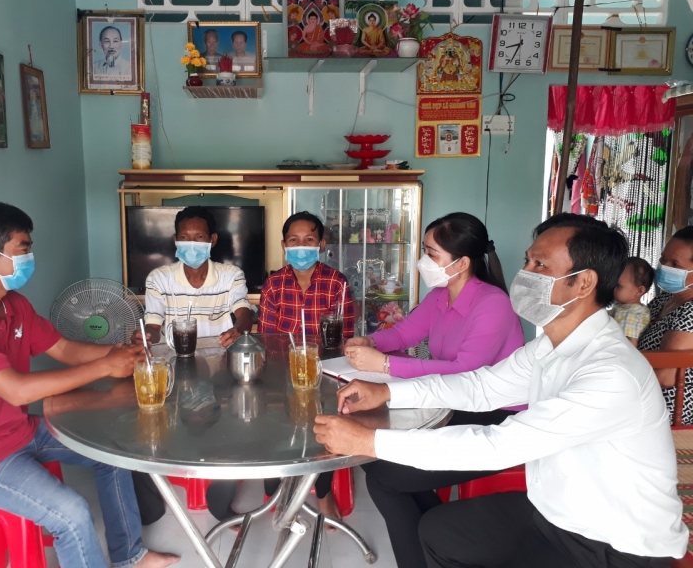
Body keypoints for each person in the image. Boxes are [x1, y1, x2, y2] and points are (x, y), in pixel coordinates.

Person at [314, 213, 686, 567]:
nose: (525, 274)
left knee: (415, 499)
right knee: (440, 531)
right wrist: (390, 394)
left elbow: (498, 445)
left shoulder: (610, 373)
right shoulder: (549, 347)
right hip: (555, 515)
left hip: (612, 546)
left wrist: (368, 441)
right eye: (528, 261)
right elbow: (482, 386)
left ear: (584, 283)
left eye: (540, 265)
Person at [0, 202, 179, 568]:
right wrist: (105, 366)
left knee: (112, 453)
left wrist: (118, 354)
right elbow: (17, 390)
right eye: (22, 249)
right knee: (71, 513)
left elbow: (65, 349)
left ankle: (129, 555)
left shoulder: (14, 306)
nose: (29, 258)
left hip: (17, 431)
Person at [343, 212, 524, 568]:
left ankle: (425, 553)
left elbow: (466, 372)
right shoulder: (441, 295)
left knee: (385, 476)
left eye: (431, 253)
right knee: (379, 467)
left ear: (462, 263)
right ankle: (431, 546)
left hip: (496, 414)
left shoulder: (493, 304)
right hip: (452, 401)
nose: (423, 261)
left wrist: (385, 365)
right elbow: (405, 332)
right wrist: (371, 341)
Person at [135, 206, 252, 523]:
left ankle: (220, 499)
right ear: (175, 239)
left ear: (212, 240)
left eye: (199, 237)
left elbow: (244, 311)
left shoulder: (230, 275)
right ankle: (150, 506)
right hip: (175, 369)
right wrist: (144, 336)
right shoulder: (159, 278)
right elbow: (154, 323)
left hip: (220, 370)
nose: (191, 243)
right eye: (184, 237)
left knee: (238, 426)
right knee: (144, 427)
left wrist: (240, 328)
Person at [258, 211, 355, 522]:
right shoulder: (273, 285)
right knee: (273, 423)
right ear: (284, 245)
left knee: (326, 428)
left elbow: (345, 338)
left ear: (321, 244)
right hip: (282, 372)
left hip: (326, 373)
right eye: (294, 240)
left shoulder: (336, 283)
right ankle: (275, 490)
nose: (301, 247)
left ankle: (323, 492)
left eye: (309, 240)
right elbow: (266, 340)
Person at [639, 226, 693, 424]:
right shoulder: (666, 299)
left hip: (665, 412)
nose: (664, 267)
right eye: (663, 258)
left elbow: (666, 377)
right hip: (641, 397)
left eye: (675, 264)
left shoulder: (690, 312)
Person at [611, 256, 653, 346]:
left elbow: (629, 345)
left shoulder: (629, 314)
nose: (612, 288)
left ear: (639, 291)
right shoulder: (626, 307)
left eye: (618, 285)